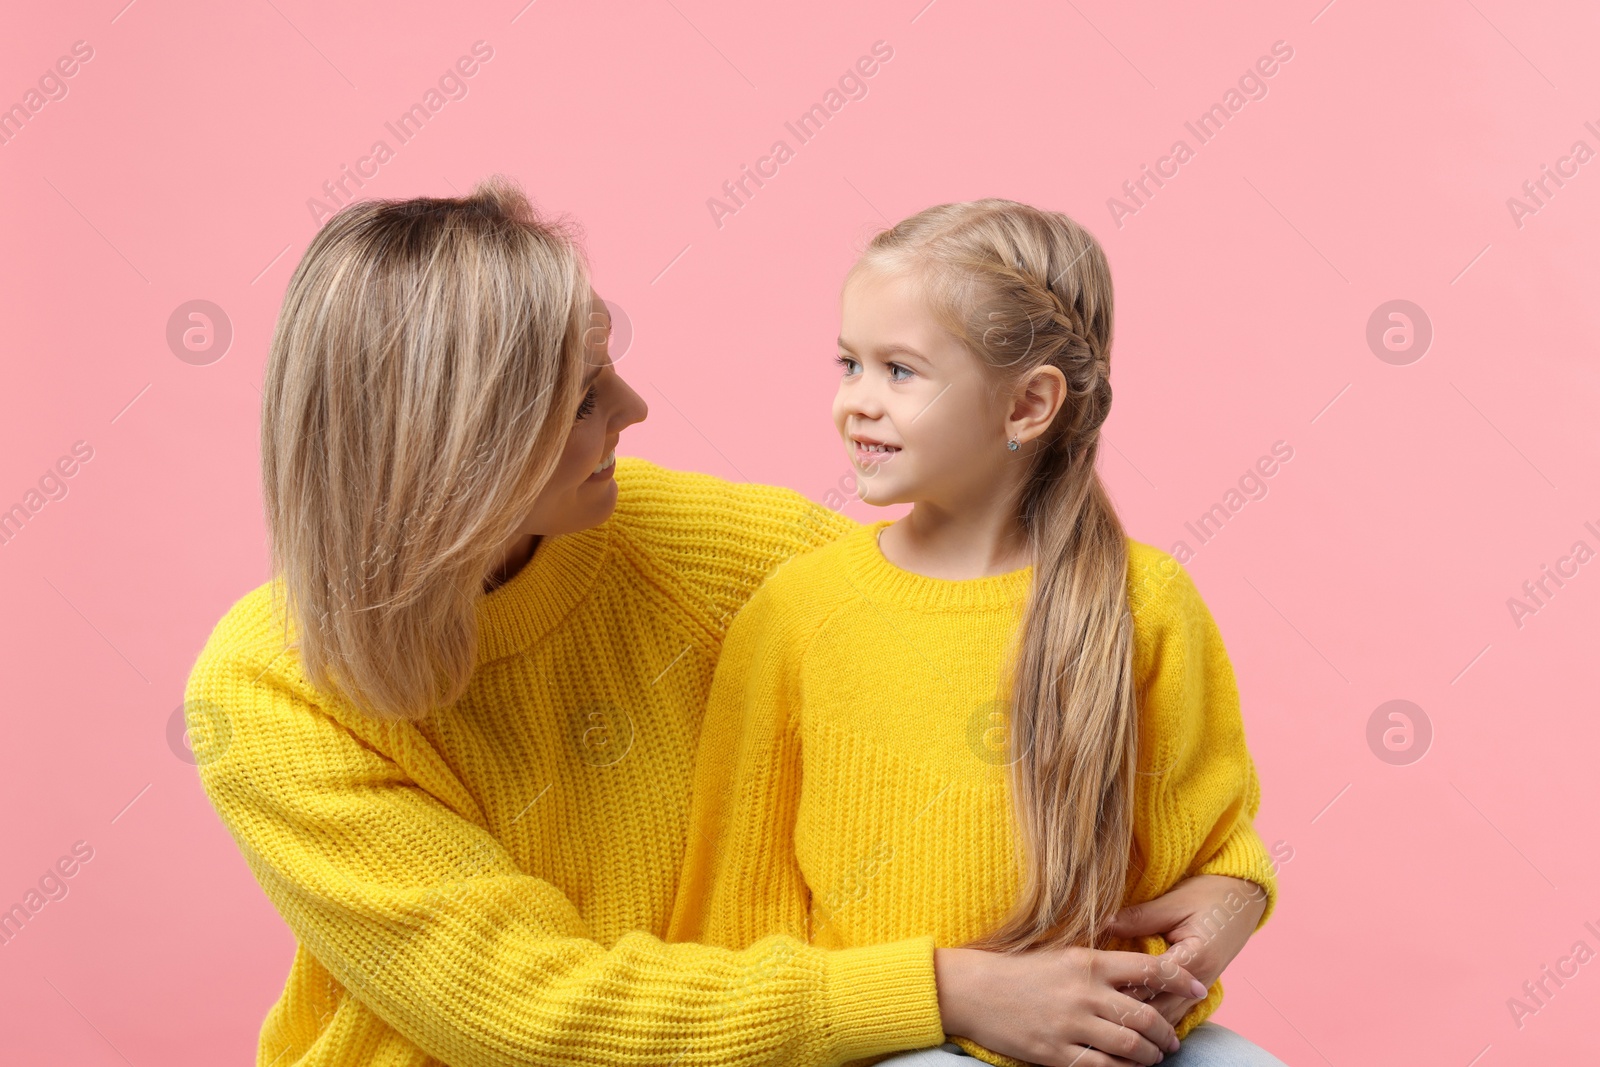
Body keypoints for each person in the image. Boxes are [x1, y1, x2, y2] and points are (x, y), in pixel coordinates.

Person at [184, 176, 1267, 1067]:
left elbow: (980, 613)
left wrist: (1218, 896)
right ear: (459, 447)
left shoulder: (691, 543)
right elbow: (523, 1007)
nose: (636, 410)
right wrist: (949, 988)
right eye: (579, 396)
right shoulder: (269, 689)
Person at [671, 199, 1287, 1067]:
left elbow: (1214, 848)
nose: (857, 401)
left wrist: (1195, 949)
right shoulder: (798, 612)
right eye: (849, 363)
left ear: (1029, 404)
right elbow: (736, 910)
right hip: (892, 1045)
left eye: (901, 371)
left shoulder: (1145, 601)